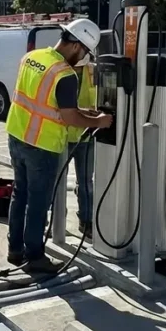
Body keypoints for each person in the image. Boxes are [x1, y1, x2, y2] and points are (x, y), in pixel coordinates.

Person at [5, 18, 113, 271]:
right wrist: (99, 121)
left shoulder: (32, 56)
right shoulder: (65, 74)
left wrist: (85, 111)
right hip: (42, 144)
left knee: (20, 194)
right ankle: (35, 257)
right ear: (77, 46)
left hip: (17, 135)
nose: (84, 57)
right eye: (85, 52)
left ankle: (15, 250)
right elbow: (69, 117)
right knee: (39, 202)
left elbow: (45, 101)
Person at [69, 54, 97, 238]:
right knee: (55, 182)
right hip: (62, 135)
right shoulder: (62, 71)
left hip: (86, 136)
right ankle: (53, 221)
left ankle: (86, 221)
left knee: (86, 183)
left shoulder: (94, 71)